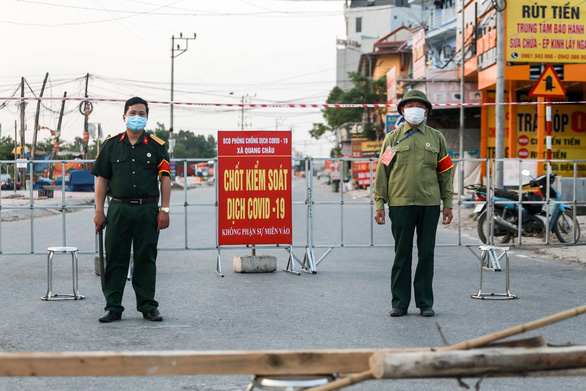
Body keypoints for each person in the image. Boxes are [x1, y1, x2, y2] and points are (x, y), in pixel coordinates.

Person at [373, 90, 453, 318]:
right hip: (400, 204)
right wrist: (380, 203)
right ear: (402, 110)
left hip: (429, 205)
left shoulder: (437, 138)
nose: (415, 109)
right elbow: (382, 172)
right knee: (402, 254)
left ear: (426, 111)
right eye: (410, 106)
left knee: (427, 254)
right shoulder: (392, 138)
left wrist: (448, 202)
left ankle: (425, 302)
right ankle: (399, 303)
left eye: (419, 105)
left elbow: (445, 173)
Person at [92, 97, 171, 323]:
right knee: (116, 257)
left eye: (142, 113)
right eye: (133, 112)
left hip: (148, 209)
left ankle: (148, 306)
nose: (137, 117)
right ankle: (113, 307)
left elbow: (165, 179)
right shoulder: (111, 145)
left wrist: (164, 209)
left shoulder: (157, 146)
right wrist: (99, 210)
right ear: (124, 116)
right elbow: (102, 179)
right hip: (118, 208)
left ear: (147, 117)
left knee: (146, 258)